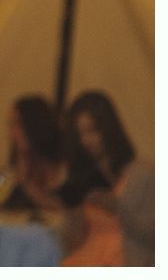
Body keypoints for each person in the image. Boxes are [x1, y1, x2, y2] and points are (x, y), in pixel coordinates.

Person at [60, 90, 154, 266]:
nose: (86, 141)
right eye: (80, 134)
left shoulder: (142, 174)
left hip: (127, 260)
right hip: (86, 258)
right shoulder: (84, 175)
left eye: (92, 131)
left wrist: (117, 208)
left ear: (109, 129)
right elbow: (72, 243)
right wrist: (74, 208)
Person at [2, 94, 65, 212]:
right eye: (10, 125)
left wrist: (28, 185)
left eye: (17, 124)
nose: (11, 133)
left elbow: (64, 212)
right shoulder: (17, 167)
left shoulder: (64, 169)